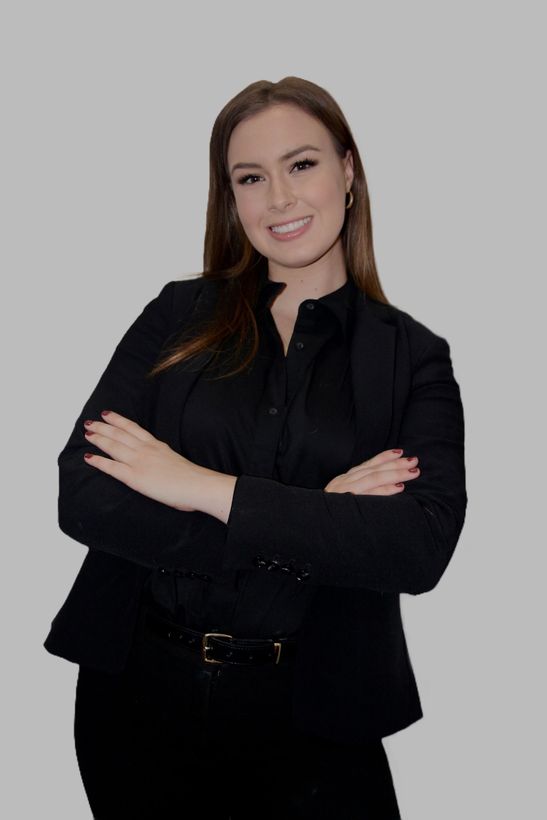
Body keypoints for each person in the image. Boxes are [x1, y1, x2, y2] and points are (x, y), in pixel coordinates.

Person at [44, 76, 467, 819]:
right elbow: (84, 494)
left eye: (300, 165)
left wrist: (200, 487)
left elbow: (416, 547)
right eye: (250, 177)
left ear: (348, 171)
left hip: (318, 717)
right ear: (230, 197)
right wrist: (313, 522)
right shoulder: (177, 315)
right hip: (134, 702)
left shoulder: (412, 357)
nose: (278, 198)